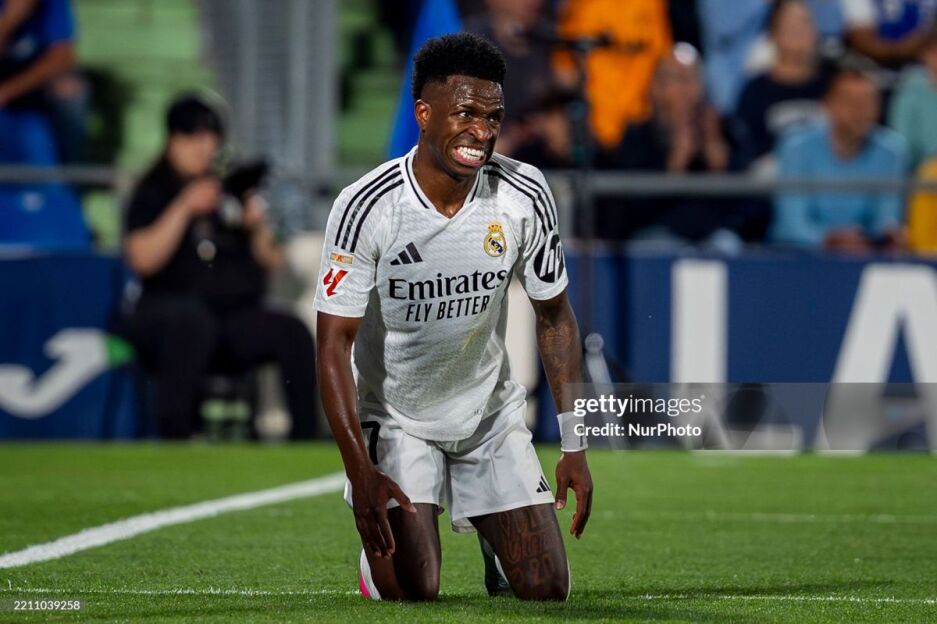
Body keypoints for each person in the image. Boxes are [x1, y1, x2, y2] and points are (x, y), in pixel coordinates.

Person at [315, 33, 593, 602]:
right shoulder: (367, 206)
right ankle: (380, 562)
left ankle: (496, 536)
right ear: (423, 113)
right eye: (466, 113)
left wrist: (575, 443)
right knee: (414, 589)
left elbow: (555, 316)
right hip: (396, 418)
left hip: (487, 417)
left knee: (546, 589)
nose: (482, 132)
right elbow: (331, 345)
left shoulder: (524, 192)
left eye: (493, 117)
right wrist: (359, 471)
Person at [120, 95, 317, 440]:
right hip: (168, 312)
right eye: (194, 138)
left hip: (228, 316)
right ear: (173, 140)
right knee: (190, 322)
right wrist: (184, 208)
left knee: (291, 332)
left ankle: (304, 441)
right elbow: (141, 259)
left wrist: (257, 225)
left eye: (211, 138)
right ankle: (177, 437)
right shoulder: (154, 189)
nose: (205, 148)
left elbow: (274, 262)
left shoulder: (231, 189)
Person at [772, 65, 909, 251]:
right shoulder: (795, 147)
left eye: (868, 102)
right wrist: (830, 239)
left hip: (864, 252)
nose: (860, 110)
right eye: (850, 102)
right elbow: (791, 223)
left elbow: (886, 219)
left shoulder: (891, 151)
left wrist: (876, 238)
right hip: (799, 255)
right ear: (828, 105)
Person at [0, 0, 86, 249]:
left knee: (71, 91)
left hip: (31, 108)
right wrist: (11, 19)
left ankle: (70, 199)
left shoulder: (51, 5)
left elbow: (63, 57)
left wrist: (8, 91)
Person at [553, 0, 671, 149]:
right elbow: (564, 70)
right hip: (592, 120)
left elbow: (663, 59)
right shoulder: (580, 6)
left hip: (641, 117)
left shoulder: (652, 5)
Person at [734, 0, 831, 171]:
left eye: (805, 23)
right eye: (791, 25)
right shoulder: (755, 91)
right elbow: (747, 149)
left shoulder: (832, 85)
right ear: (774, 32)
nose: (799, 32)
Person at [889, 27, 937, 168]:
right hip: (921, 171)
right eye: (934, 51)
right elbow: (903, 144)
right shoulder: (909, 92)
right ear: (924, 54)